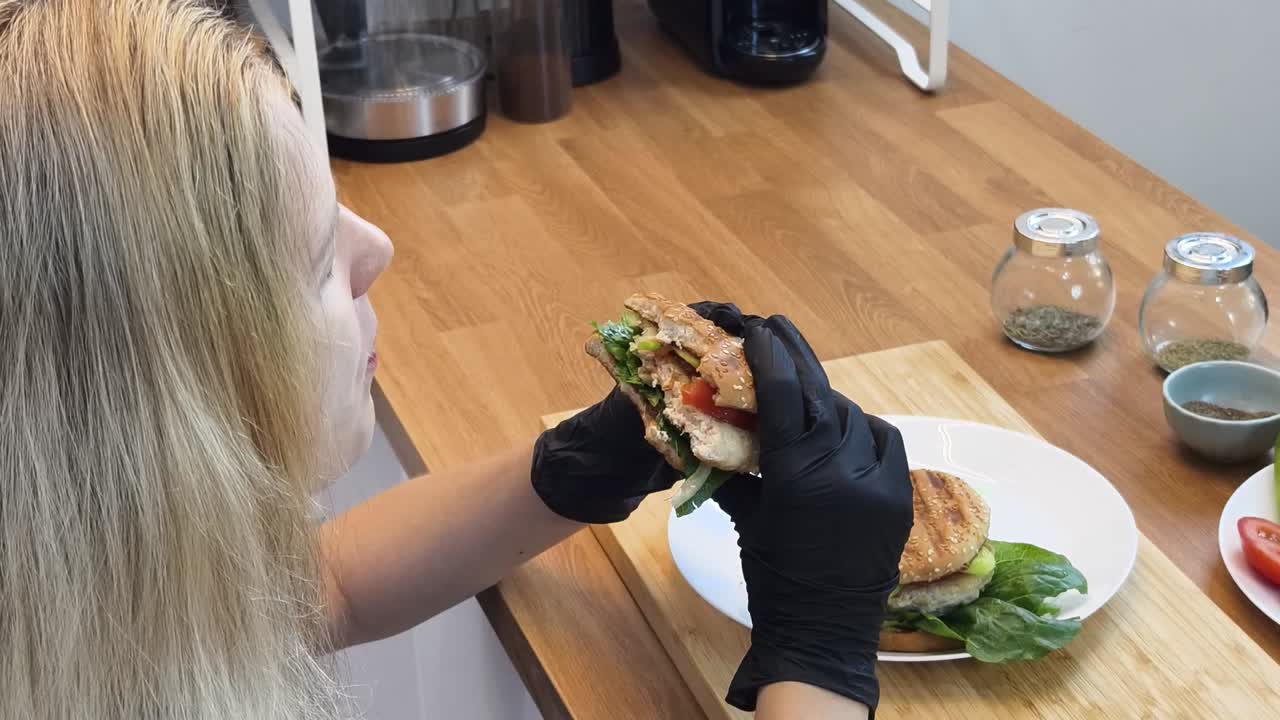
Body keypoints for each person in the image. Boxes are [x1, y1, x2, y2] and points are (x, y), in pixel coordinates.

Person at [0, 1, 912, 718]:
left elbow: (313, 595)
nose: (378, 249)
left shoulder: (69, 605)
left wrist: (570, 471)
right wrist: (819, 660)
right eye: (320, 260)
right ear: (167, 393)